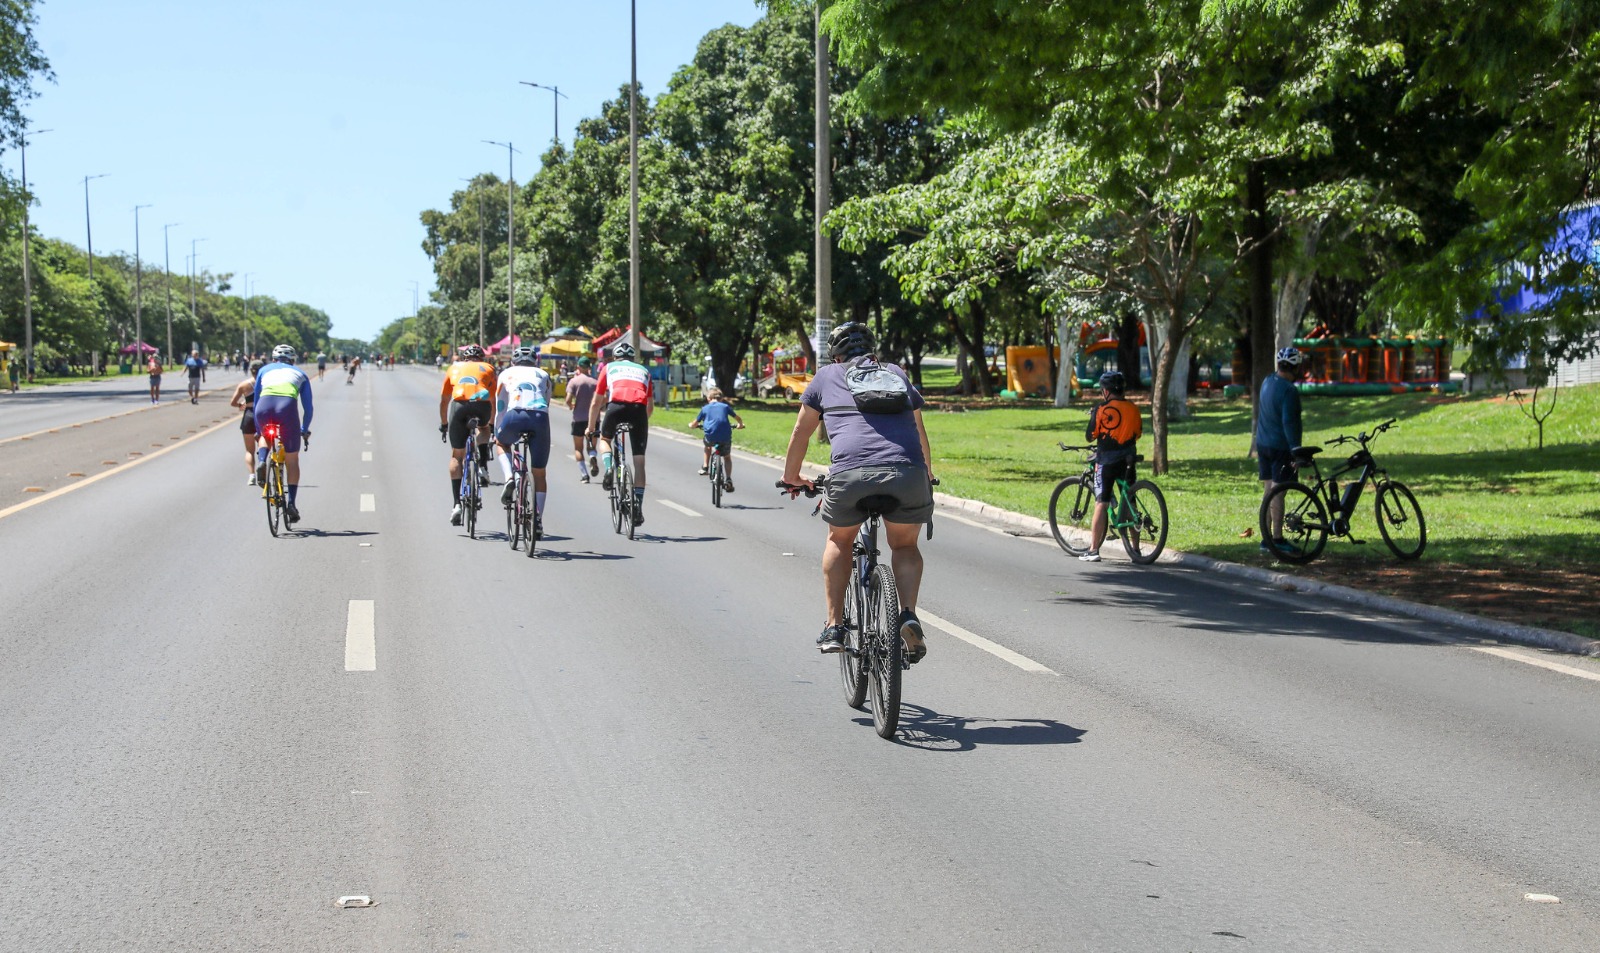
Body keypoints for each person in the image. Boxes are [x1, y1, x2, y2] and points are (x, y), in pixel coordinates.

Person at [781, 321, 935, 662]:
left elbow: (801, 431)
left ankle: (834, 626)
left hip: (851, 475)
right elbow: (919, 431)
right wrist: (927, 474)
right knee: (905, 545)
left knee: (839, 540)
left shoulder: (825, 377)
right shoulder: (895, 372)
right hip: (907, 471)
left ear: (836, 356)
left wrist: (792, 476)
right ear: (872, 351)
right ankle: (907, 613)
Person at [1077, 370, 1143, 563]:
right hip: (1128, 460)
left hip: (1107, 461)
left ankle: (1093, 550)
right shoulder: (1133, 408)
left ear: (1106, 391)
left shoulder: (1102, 409)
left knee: (1102, 501)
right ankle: (1136, 550)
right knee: (1130, 501)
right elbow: (1138, 433)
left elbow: (1090, 436)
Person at [587, 341, 653, 526]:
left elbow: (596, 402)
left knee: (605, 439)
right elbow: (650, 405)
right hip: (638, 410)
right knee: (639, 461)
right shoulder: (644, 371)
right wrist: (641, 424)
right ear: (633, 358)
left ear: (615, 357)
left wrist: (591, 428)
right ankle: (638, 506)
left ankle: (609, 468)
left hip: (615, 407)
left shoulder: (608, 368)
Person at [494, 345, 554, 537]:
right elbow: (547, 401)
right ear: (535, 361)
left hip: (514, 415)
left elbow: (500, 405)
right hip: (539, 418)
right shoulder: (544, 374)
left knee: (501, 443)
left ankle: (510, 478)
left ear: (513, 361)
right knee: (540, 473)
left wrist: (497, 431)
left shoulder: (506, 373)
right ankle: (537, 520)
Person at [253, 345, 314, 524]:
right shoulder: (300, 374)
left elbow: (256, 399)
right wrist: (305, 428)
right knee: (292, 459)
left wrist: (258, 430)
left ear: (273, 359)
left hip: (263, 406)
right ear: (293, 360)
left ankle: (263, 460)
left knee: (265, 435)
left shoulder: (263, 370)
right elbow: (308, 408)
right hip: (286, 408)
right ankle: (291, 503)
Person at [440, 343, 498, 525]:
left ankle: (457, 504)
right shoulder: (488, 368)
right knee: (484, 429)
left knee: (457, 456)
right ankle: (481, 466)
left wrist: (444, 424)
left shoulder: (454, 368)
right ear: (482, 358)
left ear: (464, 358)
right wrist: (491, 424)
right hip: (481, 405)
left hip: (458, 406)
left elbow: (444, 400)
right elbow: (493, 398)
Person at [1257, 346, 1305, 554]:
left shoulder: (1267, 381)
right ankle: (1277, 539)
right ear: (1295, 367)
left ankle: (1265, 538)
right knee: (1279, 493)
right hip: (1280, 447)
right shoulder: (1289, 390)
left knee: (1269, 491)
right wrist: (1297, 450)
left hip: (1263, 444)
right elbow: (1289, 423)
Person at [690, 387, 745, 491]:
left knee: (707, 446)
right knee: (727, 457)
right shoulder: (725, 407)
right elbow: (737, 417)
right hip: (725, 436)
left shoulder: (705, 408)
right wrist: (740, 425)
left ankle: (705, 466)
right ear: (721, 398)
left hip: (710, 436)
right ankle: (728, 479)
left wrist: (691, 426)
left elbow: (695, 423)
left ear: (709, 398)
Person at [563, 356, 600, 482]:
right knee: (592, 446)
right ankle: (593, 456)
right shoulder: (595, 382)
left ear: (578, 367)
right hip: (594, 419)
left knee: (578, 448)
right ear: (589, 367)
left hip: (578, 418)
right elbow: (604, 397)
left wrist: (571, 406)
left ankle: (584, 475)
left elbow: (568, 400)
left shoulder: (574, 381)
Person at [230, 360, 264, 485]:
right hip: (263, 415)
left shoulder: (244, 385)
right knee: (263, 444)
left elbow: (233, 402)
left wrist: (241, 405)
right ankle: (263, 464)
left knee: (249, 450)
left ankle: (252, 475)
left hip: (249, 415)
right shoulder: (267, 383)